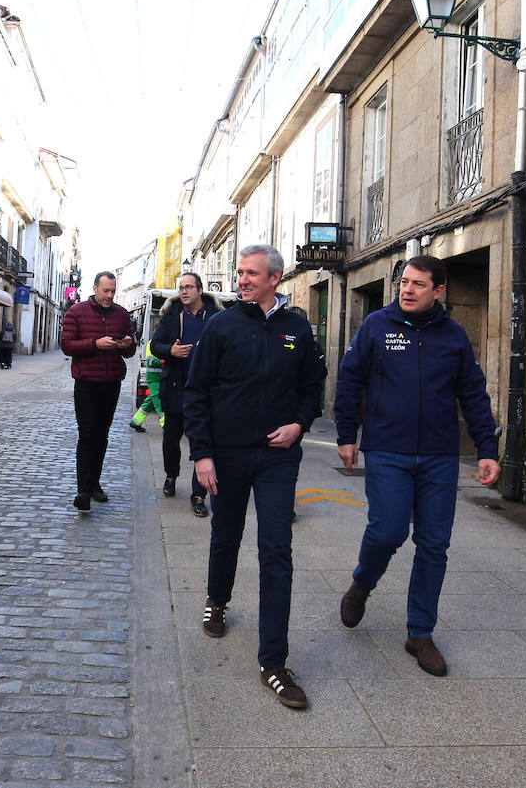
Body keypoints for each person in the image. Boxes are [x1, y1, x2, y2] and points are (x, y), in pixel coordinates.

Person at [334, 255, 501, 677]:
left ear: (438, 291)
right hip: (387, 449)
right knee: (388, 530)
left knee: (433, 545)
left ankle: (420, 633)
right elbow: (349, 378)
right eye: (403, 282)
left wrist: (486, 448)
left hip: (439, 456)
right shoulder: (376, 325)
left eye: (417, 284)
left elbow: (474, 394)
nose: (406, 290)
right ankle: (362, 584)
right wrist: (345, 435)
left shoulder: (454, 336)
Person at [184, 244, 325, 709]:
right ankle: (217, 599)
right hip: (226, 454)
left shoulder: (297, 328)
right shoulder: (221, 325)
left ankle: (273, 662)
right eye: (240, 272)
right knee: (226, 535)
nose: (242, 279)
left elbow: (311, 386)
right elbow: (197, 392)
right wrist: (202, 456)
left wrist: (300, 424)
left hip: (277, 458)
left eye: (251, 273)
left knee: (276, 550)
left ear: (275, 278)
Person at [150, 271, 224, 516]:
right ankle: (171, 476)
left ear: (199, 291)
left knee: (202, 443)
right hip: (176, 388)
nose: (183, 291)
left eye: (188, 287)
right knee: (171, 440)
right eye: (181, 287)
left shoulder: (216, 317)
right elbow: (155, 345)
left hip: (206, 392)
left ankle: (198, 494)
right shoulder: (171, 316)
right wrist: (171, 351)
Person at [61, 271, 136, 512]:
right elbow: (67, 345)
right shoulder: (77, 312)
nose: (109, 295)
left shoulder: (122, 314)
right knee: (87, 433)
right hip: (86, 383)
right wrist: (95, 344)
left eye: (113, 291)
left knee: (102, 434)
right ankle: (83, 490)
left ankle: (94, 484)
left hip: (111, 382)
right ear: (95, 288)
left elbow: (130, 351)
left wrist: (127, 345)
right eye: (105, 290)